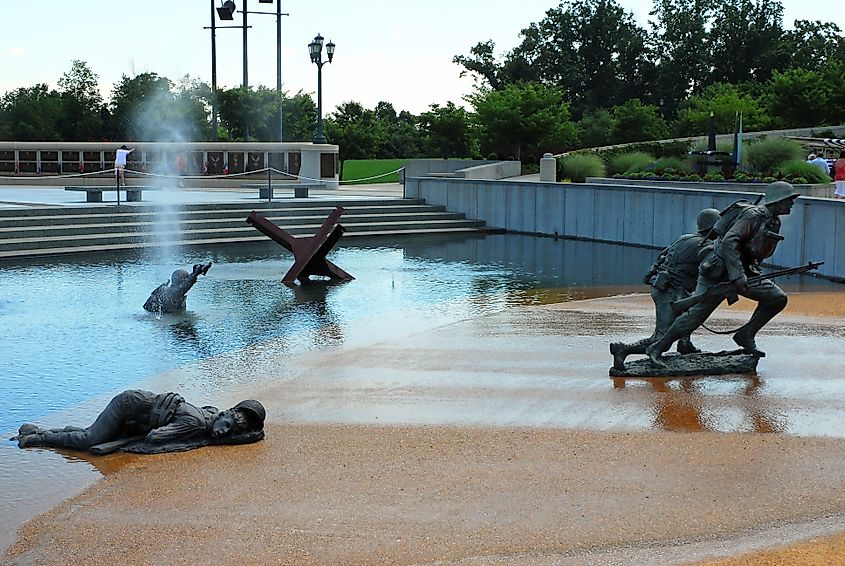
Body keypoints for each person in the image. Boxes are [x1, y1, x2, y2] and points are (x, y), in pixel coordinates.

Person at [646, 181, 800, 367]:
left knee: (777, 298)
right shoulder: (753, 215)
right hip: (718, 271)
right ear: (778, 200)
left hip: (741, 270)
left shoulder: (774, 221)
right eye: (789, 200)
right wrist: (737, 275)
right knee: (695, 316)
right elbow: (729, 241)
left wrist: (749, 270)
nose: (792, 203)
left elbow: (755, 249)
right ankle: (657, 348)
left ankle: (746, 335)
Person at [610, 208, 720, 370]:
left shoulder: (685, 238)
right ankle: (623, 349)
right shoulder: (704, 246)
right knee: (661, 339)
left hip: (671, 288)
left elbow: (663, 255)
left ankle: (685, 343)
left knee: (688, 317)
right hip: (668, 292)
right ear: (713, 227)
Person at [12, 389, 265, 454]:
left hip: (135, 410)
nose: (225, 433)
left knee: (95, 433)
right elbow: (155, 438)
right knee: (90, 440)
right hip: (128, 406)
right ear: (225, 414)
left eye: (232, 433)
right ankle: (36, 438)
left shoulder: (210, 413)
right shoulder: (197, 424)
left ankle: (41, 430)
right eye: (229, 426)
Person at [144, 262, 212, 313]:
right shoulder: (174, 293)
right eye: (185, 278)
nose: (186, 280)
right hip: (169, 320)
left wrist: (195, 273)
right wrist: (195, 274)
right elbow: (185, 285)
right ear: (181, 281)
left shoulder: (164, 288)